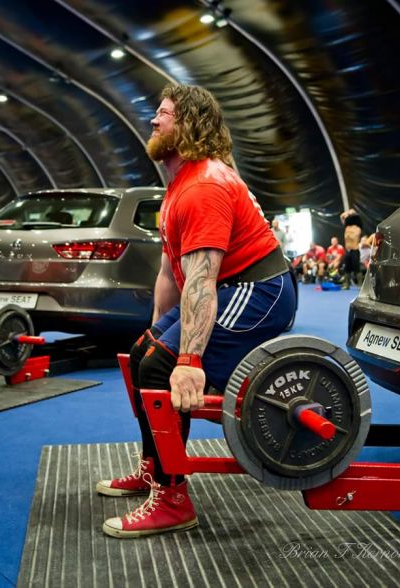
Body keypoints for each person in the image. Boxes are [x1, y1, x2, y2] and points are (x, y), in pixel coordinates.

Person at [97, 84, 296, 539]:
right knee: (143, 354)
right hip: (223, 287)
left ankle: (173, 499)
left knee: (163, 366)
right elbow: (172, 273)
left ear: (188, 125)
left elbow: (203, 281)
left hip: (258, 292)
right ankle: (155, 470)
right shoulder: (177, 186)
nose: (153, 120)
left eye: (163, 113)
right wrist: (155, 333)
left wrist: (188, 361)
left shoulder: (204, 186)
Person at [340, 208, 363, 289]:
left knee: (357, 268)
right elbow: (342, 216)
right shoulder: (347, 228)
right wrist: (348, 212)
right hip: (348, 251)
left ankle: (360, 284)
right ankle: (347, 284)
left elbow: (353, 237)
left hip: (355, 250)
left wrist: (353, 213)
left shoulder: (357, 229)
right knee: (347, 268)